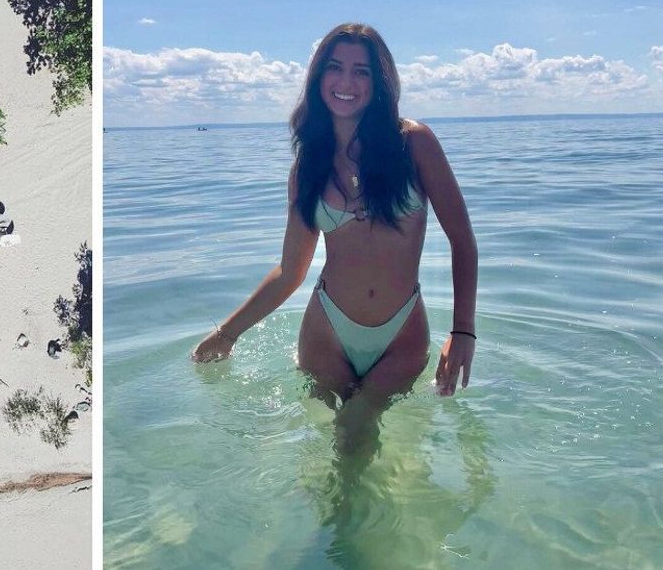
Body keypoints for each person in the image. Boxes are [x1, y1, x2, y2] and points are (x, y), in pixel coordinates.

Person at [192, 23, 478, 411]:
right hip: (326, 330)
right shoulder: (308, 167)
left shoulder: (413, 144)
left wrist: (463, 331)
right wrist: (227, 333)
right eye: (335, 67)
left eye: (361, 71)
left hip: (402, 333)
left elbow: (462, 240)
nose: (347, 81)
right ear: (318, 76)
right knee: (327, 452)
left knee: (357, 438)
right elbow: (291, 271)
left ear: (380, 82)